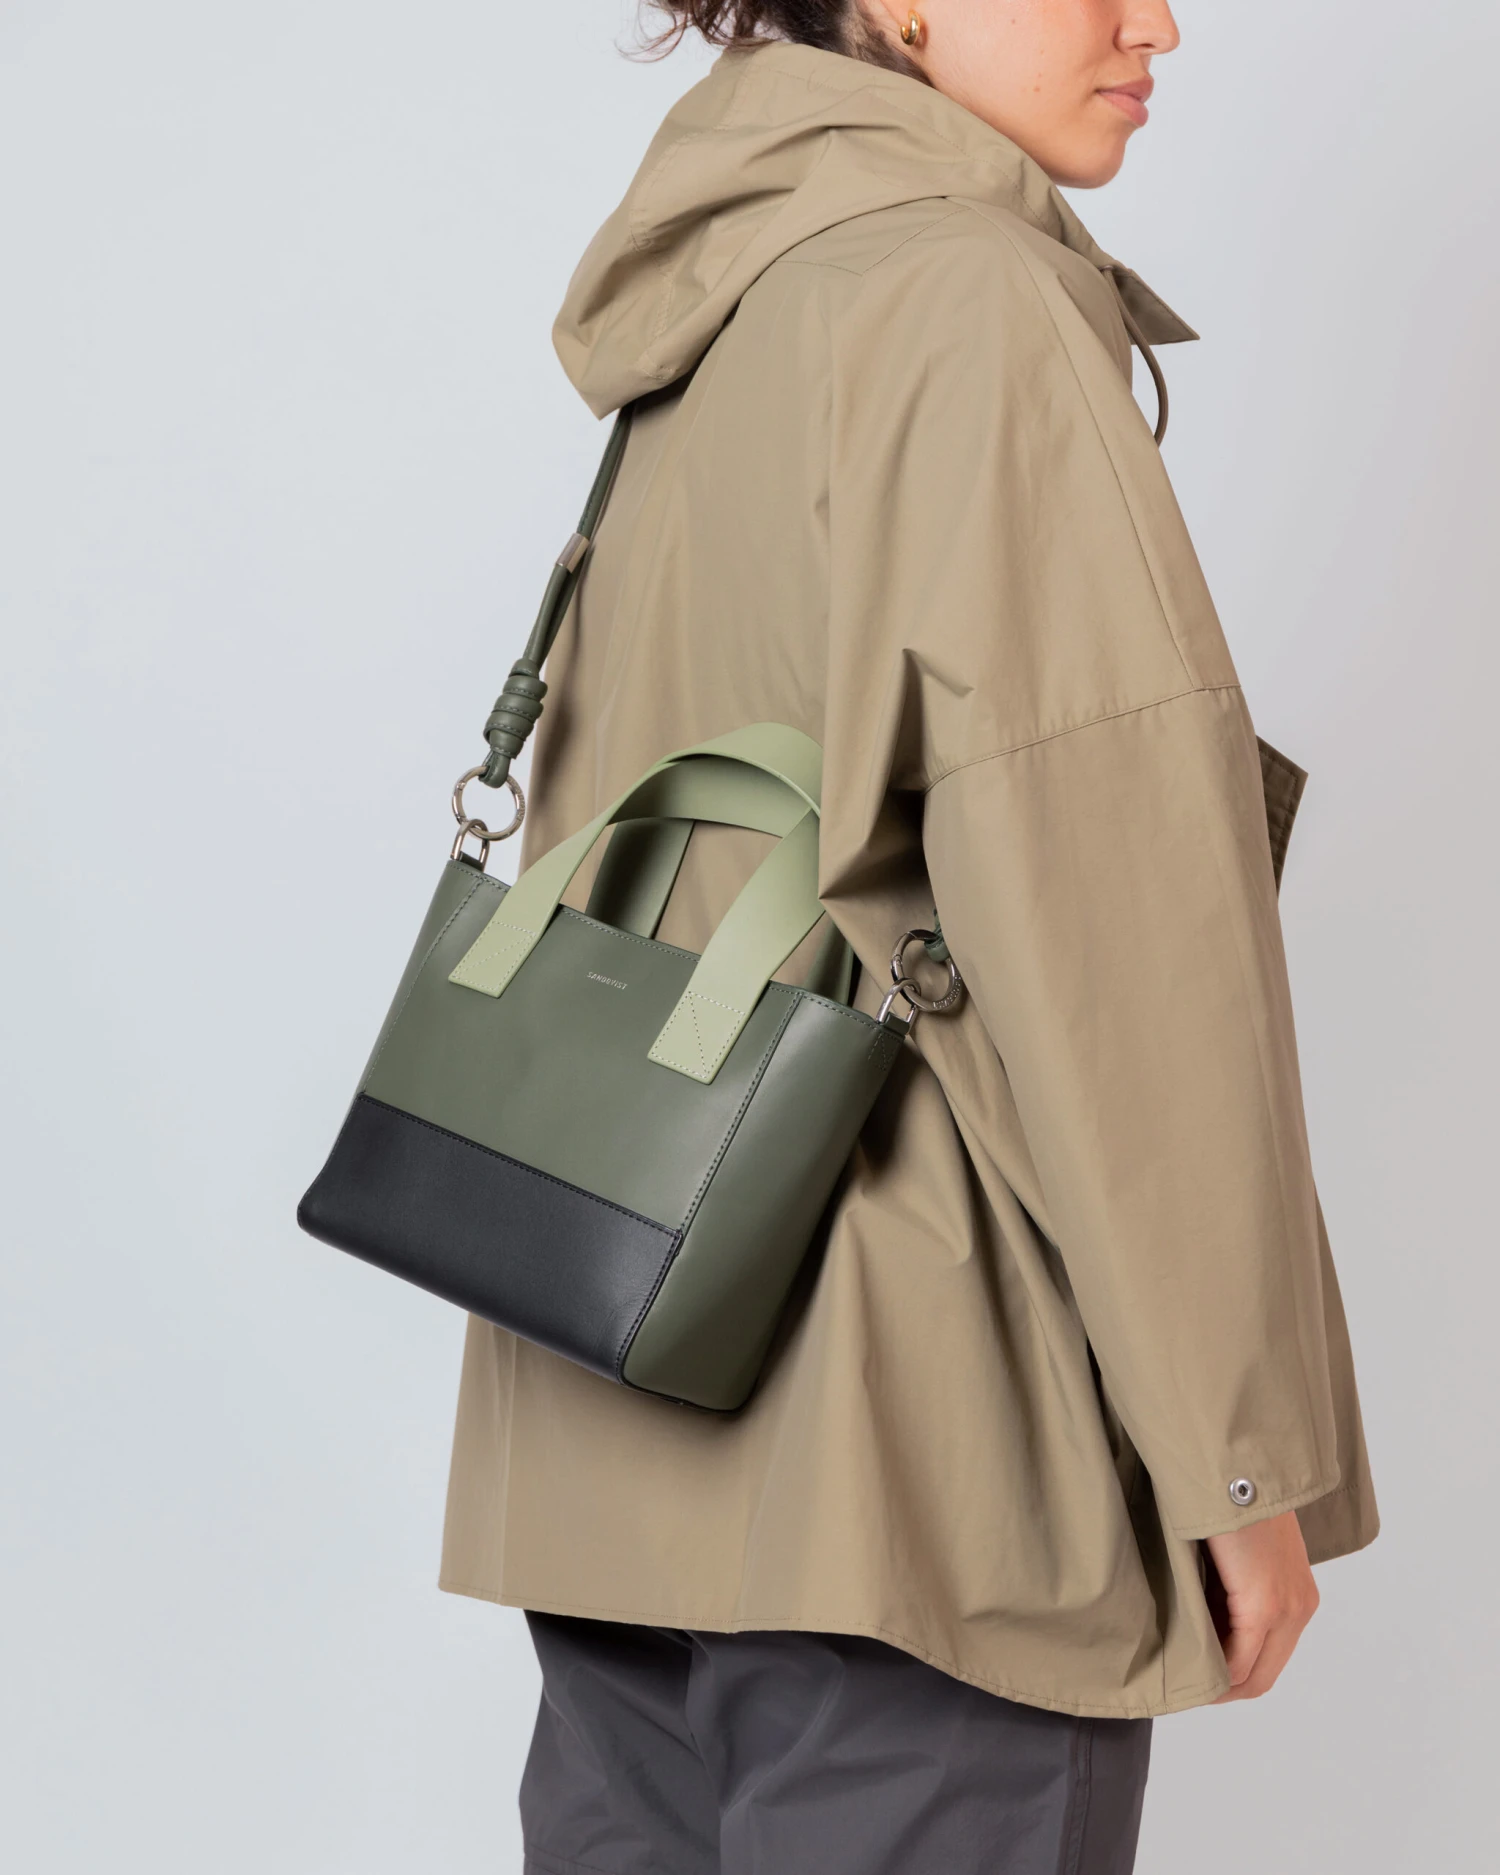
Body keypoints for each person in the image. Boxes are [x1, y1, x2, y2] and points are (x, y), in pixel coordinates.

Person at [438, 5, 1378, 1869]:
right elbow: (1107, 910)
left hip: (621, 1409)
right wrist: (1236, 1454)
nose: (1156, 20)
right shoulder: (969, 301)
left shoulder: (720, 289)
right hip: (918, 1464)